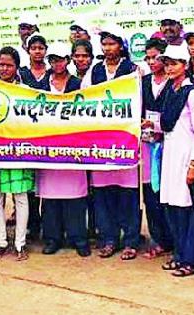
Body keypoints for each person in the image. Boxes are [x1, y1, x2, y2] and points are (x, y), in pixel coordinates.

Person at [82, 26, 141, 260]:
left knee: (127, 194)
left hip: (124, 142)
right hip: (101, 143)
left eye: (112, 44)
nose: (107, 48)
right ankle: (108, 239)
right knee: (103, 194)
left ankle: (130, 241)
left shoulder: (133, 70)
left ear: (121, 46)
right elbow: (84, 99)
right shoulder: (94, 71)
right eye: (104, 44)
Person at [35, 42, 90, 257]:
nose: (57, 63)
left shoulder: (79, 84)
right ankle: (52, 238)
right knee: (50, 199)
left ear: (68, 60)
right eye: (53, 59)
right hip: (48, 148)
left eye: (61, 59)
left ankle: (79, 238)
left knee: (75, 197)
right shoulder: (40, 86)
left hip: (73, 148)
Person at [158, 46, 194, 277]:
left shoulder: (192, 93)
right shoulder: (170, 91)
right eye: (166, 64)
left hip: (186, 157)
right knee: (172, 207)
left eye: (174, 63)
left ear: (184, 65)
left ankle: (191, 259)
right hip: (170, 156)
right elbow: (168, 125)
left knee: (188, 209)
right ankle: (179, 254)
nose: (169, 68)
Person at [0, 46, 32, 261]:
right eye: (1, 64)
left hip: (18, 151)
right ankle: (1, 241)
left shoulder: (25, 90)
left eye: (9, 65)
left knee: (20, 197)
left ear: (16, 67)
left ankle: (20, 243)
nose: (4, 68)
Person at [140, 39, 173, 259]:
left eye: (156, 57)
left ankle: (174, 240)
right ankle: (158, 240)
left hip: (170, 143)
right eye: (148, 58)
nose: (152, 62)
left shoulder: (175, 83)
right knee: (150, 194)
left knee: (169, 195)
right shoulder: (141, 82)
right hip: (146, 144)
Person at [19, 33, 49, 240]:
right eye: (33, 48)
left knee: (46, 182)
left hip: (48, 134)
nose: (37, 51)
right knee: (29, 184)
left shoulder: (53, 73)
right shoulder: (21, 74)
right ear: (28, 51)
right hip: (25, 134)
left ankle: (48, 225)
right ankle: (31, 225)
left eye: (41, 47)